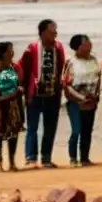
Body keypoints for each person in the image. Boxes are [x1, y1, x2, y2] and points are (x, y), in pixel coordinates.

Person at [18, 19, 66, 168]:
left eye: (55, 31)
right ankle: (31, 158)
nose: (55, 33)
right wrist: (24, 88)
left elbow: (62, 67)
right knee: (32, 127)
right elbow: (22, 68)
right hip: (35, 94)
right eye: (52, 31)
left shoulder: (58, 47)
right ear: (43, 32)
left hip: (53, 94)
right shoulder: (31, 49)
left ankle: (46, 158)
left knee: (50, 127)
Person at [63, 34, 101, 167]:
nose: (90, 43)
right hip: (75, 102)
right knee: (76, 131)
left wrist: (95, 96)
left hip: (91, 101)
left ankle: (85, 158)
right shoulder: (71, 62)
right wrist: (81, 98)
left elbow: (98, 78)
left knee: (87, 131)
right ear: (78, 47)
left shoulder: (93, 60)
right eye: (86, 42)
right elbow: (66, 84)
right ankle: (73, 158)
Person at [0, 42, 24, 172]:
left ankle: (12, 163)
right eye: (10, 50)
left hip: (13, 105)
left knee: (13, 134)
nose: (13, 52)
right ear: (3, 53)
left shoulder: (14, 67)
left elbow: (17, 83)